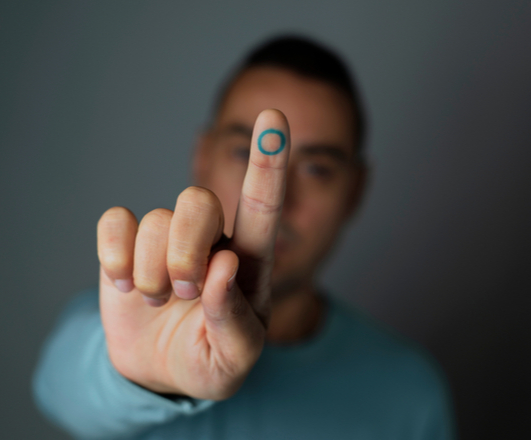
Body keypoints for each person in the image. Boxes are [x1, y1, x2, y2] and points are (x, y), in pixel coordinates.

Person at [33, 35, 456, 439]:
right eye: (242, 152)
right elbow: (60, 390)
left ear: (356, 191)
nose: (280, 198)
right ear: (202, 156)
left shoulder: (409, 392)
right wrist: (147, 375)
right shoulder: (123, 315)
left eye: (317, 169)